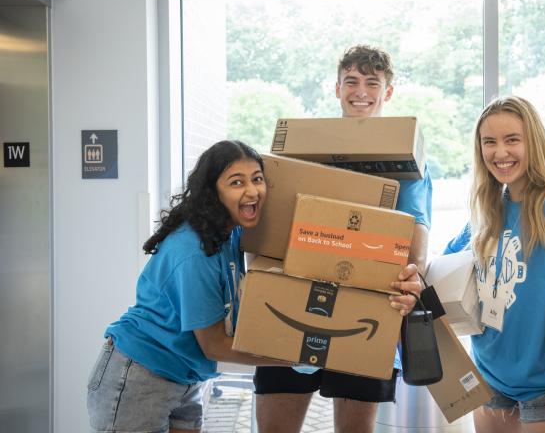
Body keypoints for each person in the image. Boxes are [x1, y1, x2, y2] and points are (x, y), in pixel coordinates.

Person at [253, 45, 432, 433]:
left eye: (372, 82)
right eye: (351, 81)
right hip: (292, 301)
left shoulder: (410, 163)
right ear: (337, 88)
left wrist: (407, 275)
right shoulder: (304, 149)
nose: (361, 91)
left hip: (366, 309)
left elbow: (416, 243)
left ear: (388, 92)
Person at [87, 140, 284, 433]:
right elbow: (214, 344)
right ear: (213, 192)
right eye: (236, 182)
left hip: (185, 375)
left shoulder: (230, 230)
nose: (252, 191)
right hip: (139, 377)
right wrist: (289, 358)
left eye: (257, 179)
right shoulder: (194, 250)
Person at [444, 96, 545, 433]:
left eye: (512, 139)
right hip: (490, 377)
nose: (500, 153)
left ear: (534, 142)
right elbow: (442, 270)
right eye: (490, 142)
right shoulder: (488, 209)